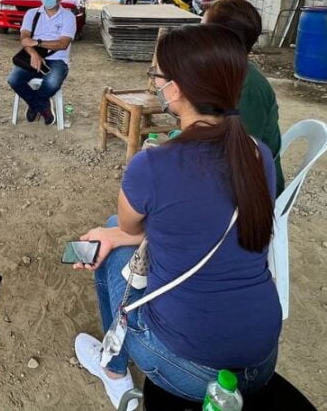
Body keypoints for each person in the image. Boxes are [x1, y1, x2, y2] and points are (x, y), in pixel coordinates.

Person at [72, 24, 281, 408]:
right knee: (114, 231)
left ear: (178, 89)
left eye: (157, 76)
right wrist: (117, 232)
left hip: (190, 369)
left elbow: (134, 226)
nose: (155, 83)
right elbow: (193, 224)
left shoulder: (152, 163)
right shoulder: (257, 153)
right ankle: (114, 359)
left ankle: (113, 369)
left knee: (108, 246)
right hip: (263, 359)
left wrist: (112, 236)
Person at [203, 0, 284, 193]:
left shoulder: (247, 87)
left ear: (219, 38)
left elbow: (242, 155)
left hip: (249, 191)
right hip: (224, 171)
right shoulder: (229, 73)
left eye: (202, 29)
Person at [7, 0, 76, 126]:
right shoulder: (32, 14)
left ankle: (35, 104)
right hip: (32, 57)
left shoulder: (68, 17)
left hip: (58, 60)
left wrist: (37, 42)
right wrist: (34, 54)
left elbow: (62, 44)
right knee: (14, 79)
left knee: (51, 83)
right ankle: (42, 106)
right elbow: (24, 39)